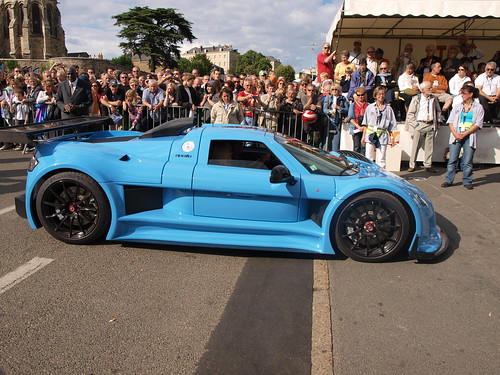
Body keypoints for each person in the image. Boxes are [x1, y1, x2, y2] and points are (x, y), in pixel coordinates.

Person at [442, 85, 484, 190]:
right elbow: (450, 121)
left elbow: (478, 124)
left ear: (471, 94)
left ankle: (467, 181)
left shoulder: (478, 107)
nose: (462, 95)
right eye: (461, 93)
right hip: (456, 134)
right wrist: (455, 134)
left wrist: (465, 134)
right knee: (452, 159)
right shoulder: (457, 106)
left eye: (464, 93)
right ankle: (449, 180)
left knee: (467, 160)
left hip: (469, 135)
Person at [406, 81, 442, 172]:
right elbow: (410, 113)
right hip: (420, 123)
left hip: (430, 123)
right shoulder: (416, 98)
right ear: (423, 90)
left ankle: (428, 164)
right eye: (428, 88)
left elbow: (438, 111)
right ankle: (412, 164)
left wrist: (438, 121)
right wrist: (415, 124)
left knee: (429, 146)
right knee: (416, 145)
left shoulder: (433, 98)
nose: (430, 89)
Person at [361, 87, 397, 169]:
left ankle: (381, 175)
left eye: (383, 94)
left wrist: (392, 138)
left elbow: (392, 126)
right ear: (375, 95)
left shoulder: (388, 109)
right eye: (379, 94)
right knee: (369, 157)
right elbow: (365, 124)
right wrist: (363, 136)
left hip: (382, 134)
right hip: (370, 133)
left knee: (382, 158)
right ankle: (369, 174)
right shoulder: (370, 107)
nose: (381, 96)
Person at [323, 82, 348, 151]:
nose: (334, 91)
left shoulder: (343, 98)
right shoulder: (328, 98)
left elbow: (347, 109)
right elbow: (324, 109)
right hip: (329, 121)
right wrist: (329, 111)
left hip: (338, 121)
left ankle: (334, 156)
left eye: (336, 89)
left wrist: (339, 108)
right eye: (333, 89)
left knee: (336, 143)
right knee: (327, 141)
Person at [347, 87, 368, 154]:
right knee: (356, 147)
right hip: (356, 128)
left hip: (366, 129)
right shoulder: (353, 105)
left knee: (364, 147)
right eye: (358, 95)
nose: (360, 97)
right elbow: (350, 118)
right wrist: (358, 126)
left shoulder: (369, 105)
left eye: (362, 95)